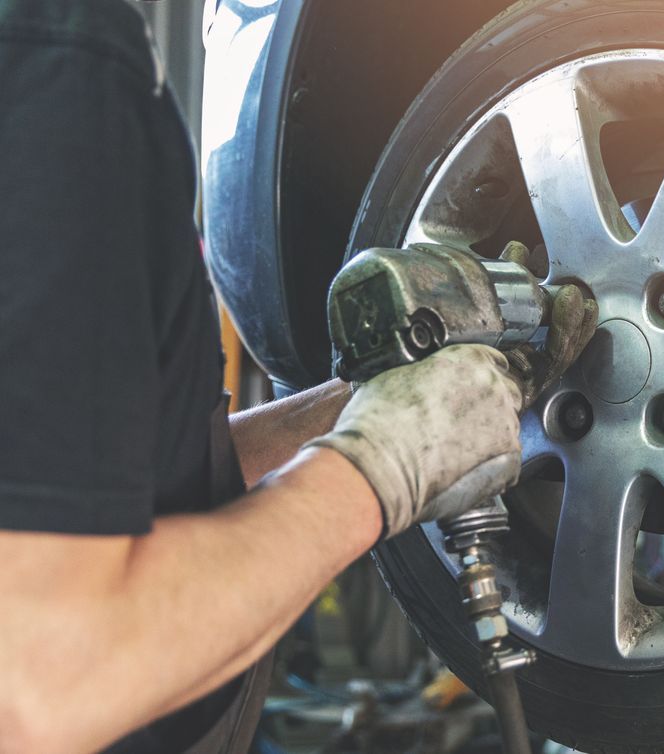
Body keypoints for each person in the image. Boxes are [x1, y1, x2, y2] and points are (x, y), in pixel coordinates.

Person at [0, 0, 593, 751]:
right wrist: (378, 468)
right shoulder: (52, 55)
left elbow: (105, 486)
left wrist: (363, 408)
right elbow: (44, 679)